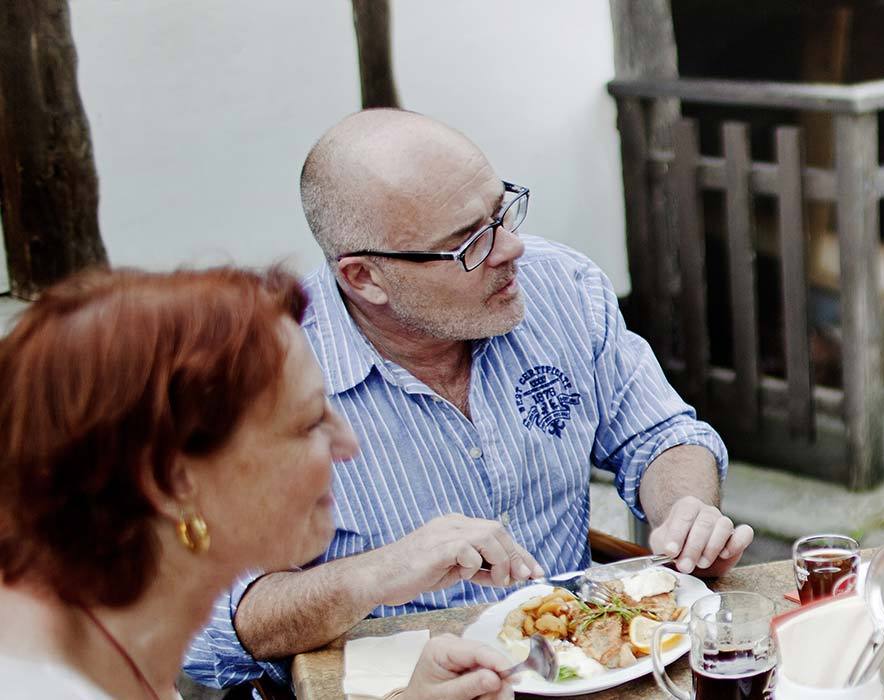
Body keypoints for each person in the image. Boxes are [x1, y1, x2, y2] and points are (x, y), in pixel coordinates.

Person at [183, 109, 752, 687]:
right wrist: (380, 572)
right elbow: (202, 627)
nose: (511, 249)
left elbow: (660, 436)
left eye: (501, 211)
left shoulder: (563, 286)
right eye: (468, 244)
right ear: (363, 279)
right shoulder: (249, 379)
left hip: (575, 669)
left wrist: (687, 512)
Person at [0, 267, 521, 699]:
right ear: (172, 480)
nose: (349, 445)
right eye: (310, 422)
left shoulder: (111, 640)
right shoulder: (40, 681)